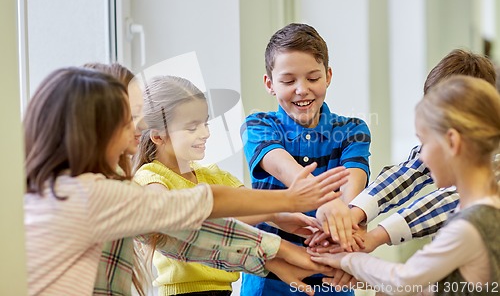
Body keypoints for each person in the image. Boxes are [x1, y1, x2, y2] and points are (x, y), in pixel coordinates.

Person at [23, 67, 351, 296]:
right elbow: (196, 211)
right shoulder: (91, 194)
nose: (134, 132)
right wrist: (287, 203)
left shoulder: (58, 191)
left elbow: (186, 235)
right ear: (92, 130)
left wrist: (278, 245)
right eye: (126, 122)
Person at [132, 75, 348, 296]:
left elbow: (250, 206)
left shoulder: (215, 175)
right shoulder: (150, 177)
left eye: (205, 123)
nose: (205, 133)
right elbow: (181, 219)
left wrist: (277, 216)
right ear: (158, 136)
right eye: (191, 128)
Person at [309, 75, 500, 295]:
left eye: (424, 143)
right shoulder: (482, 210)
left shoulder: (470, 226)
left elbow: (405, 279)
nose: (422, 157)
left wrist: (347, 260)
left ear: (452, 142)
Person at [240, 23, 371, 295]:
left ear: (328, 76)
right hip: (269, 277)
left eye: (312, 78)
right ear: (270, 84)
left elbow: (352, 188)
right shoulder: (259, 125)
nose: (302, 90)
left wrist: (344, 216)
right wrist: (328, 200)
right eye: (288, 81)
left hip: (332, 276)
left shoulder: (352, 130)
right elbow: (280, 164)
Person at [83, 62, 149, 296]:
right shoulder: (90, 188)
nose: (141, 125)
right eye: (132, 115)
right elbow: (179, 222)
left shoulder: (119, 178)